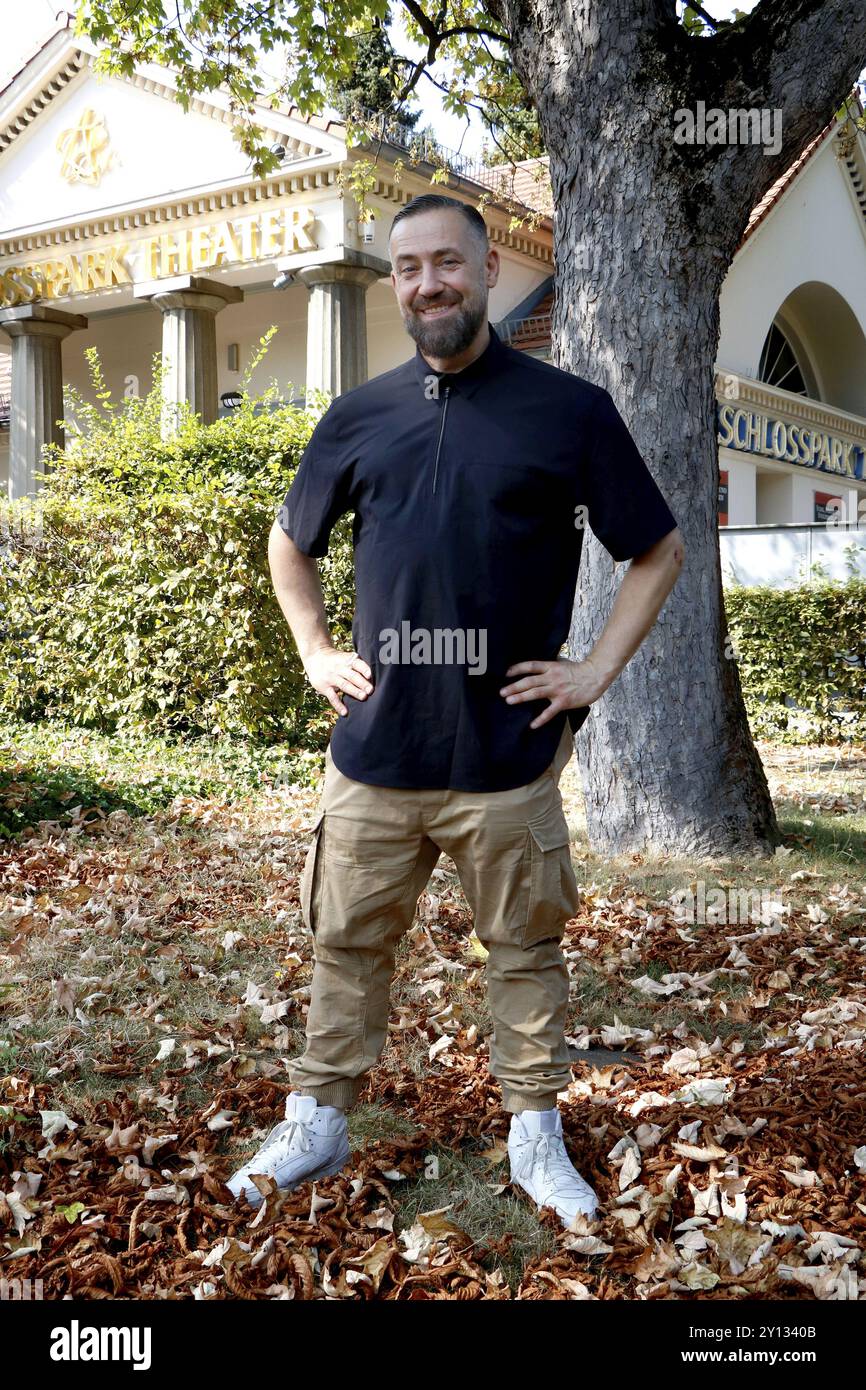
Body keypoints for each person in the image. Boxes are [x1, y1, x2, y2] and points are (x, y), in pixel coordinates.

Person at [227, 193, 684, 1226]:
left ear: (484, 271)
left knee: (523, 948)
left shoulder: (568, 411)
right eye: (407, 269)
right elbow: (286, 540)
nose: (426, 284)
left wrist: (590, 673)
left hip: (507, 754)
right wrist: (311, 649)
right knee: (343, 942)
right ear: (394, 284)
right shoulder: (356, 415)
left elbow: (656, 549)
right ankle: (318, 1117)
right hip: (374, 748)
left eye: (446, 263)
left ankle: (532, 1134)